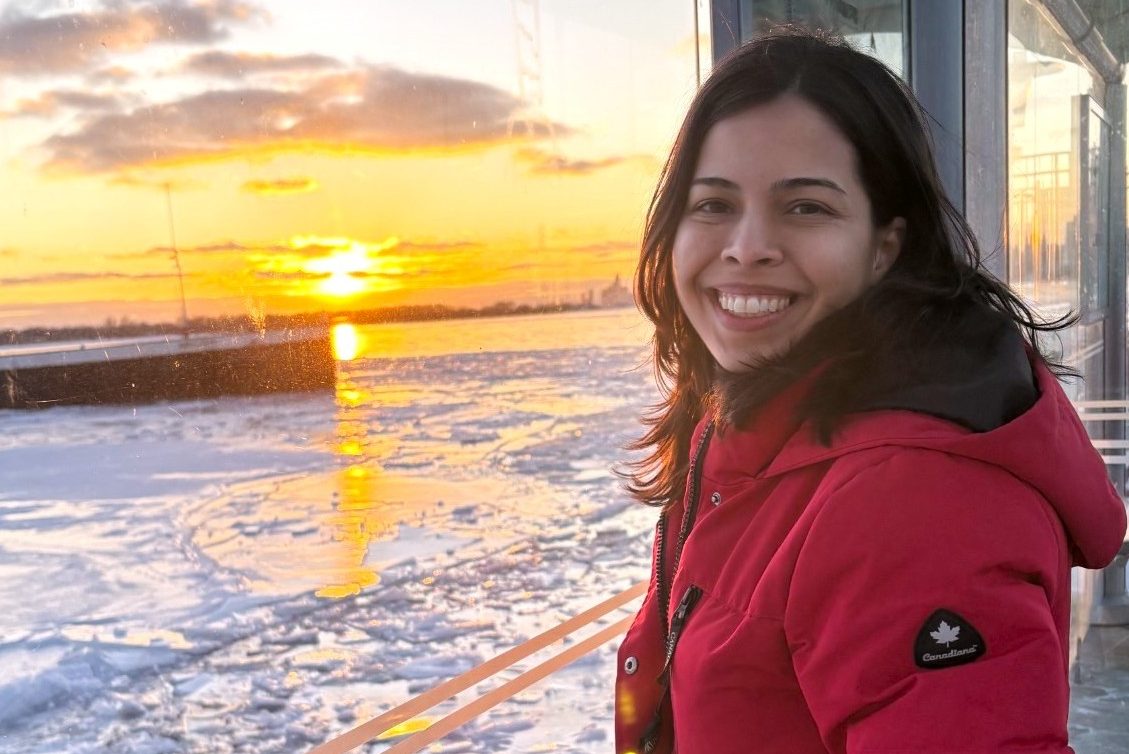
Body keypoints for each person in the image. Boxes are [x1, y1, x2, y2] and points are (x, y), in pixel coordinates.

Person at [614, 28, 1128, 754]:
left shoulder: (910, 500)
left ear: (884, 246)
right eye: (712, 204)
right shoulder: (751, 431)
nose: (745, 246)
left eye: (805, 208)